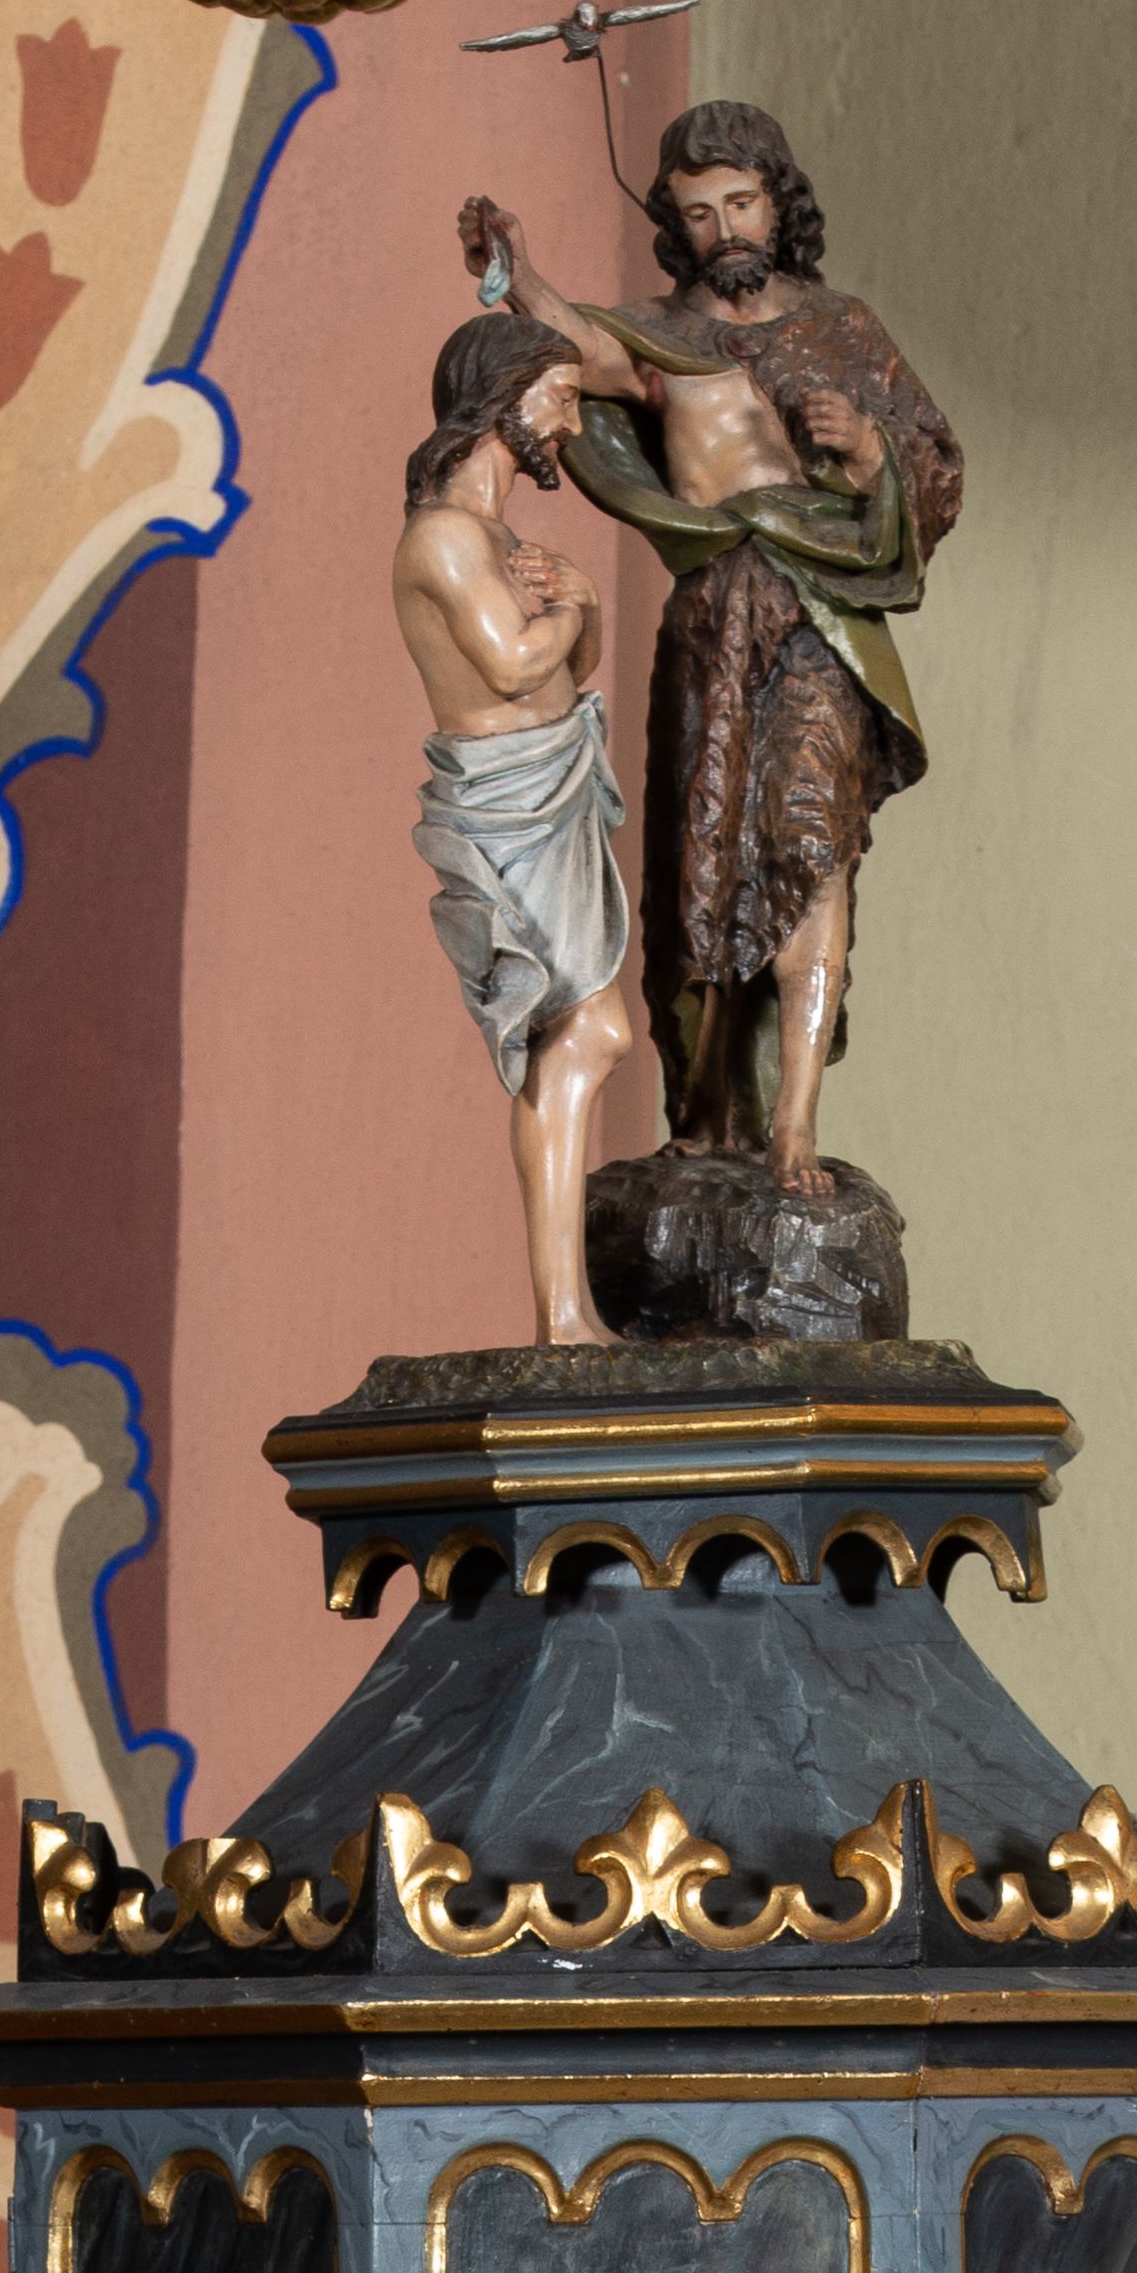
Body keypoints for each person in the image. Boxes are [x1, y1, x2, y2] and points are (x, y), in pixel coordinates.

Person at [458, 104, 962, 1208]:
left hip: (818, 615)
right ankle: (707, 1115)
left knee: (810, 846)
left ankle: (793, 1125)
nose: (724, 229)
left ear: (778, 204)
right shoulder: (660, 342)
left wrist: (867, 451)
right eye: (697, 213)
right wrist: (515, 268)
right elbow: (571, 344)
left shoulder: (843, 328)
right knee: (704, 868)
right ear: (674, 225)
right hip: (711, 624)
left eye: (740, 203)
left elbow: (934, 464)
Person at [393, 308, 632, 1348]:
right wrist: (574, 611)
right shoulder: (446, 536)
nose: (571, 425)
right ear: (504, 395)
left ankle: (568, 1309)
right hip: (509, 804)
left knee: (587, 1033)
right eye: (561, 400)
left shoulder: (500, 540)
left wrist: (582, 611)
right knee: (572, 1034)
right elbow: (512, 664)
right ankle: (561, 1313)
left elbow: (567, 668)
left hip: (554, 787)